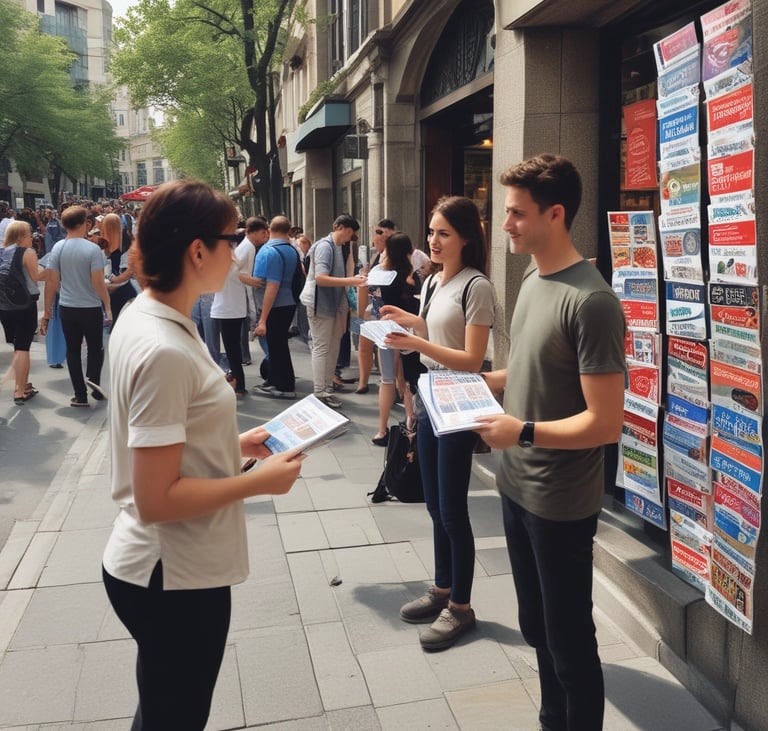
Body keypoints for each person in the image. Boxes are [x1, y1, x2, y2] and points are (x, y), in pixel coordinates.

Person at [101, 179, 305, 730]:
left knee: (164, 705)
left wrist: (235, 444)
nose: (239, 245)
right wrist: (257, 482)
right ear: (197, 250)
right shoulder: (163, 345)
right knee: (176, 715)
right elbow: (156, 498)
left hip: (164, 568)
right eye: (232, 236)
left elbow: (167, 441)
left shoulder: (150, 316)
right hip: (172, 573)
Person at [474, 154, 626, 731]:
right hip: (517, 486)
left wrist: (523, 431)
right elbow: (537, 369)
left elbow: (605, 422)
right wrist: (483, 382)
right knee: (535, 626)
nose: (504, 225)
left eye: (515, 213)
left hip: (560, 503)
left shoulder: (592, 301)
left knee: (568, 641)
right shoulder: (535, 278)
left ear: (555, 214)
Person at [381, 196, 495, 651]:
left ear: (467, 236)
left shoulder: (477, 286)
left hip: (459, 400)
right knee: (432, 504)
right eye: (431, 232)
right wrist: (403, 320)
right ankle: (443, 588)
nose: (434, 241)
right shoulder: (432, 282)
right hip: (429, 397)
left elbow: (471, 358)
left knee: (452, 510)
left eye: (444, 233)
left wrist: (414, 338)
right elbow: (431, 331)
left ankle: (461, 608)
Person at [40, 206, 112, 407]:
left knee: (72, 350)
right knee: (95, 347)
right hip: (89, 307)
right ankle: (94, 383)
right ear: (86, 224)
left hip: (67, 307)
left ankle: (80, 395)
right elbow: (98, 283)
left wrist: (47, 311)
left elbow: (51, 282)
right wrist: (107, 305)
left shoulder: (58, 248)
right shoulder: (92, 249)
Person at [300, 214, 365, 409]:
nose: (350, 236)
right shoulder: (324, 247)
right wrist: (350, 281)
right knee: (322, 346)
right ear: (339, 227)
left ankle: (325, 388)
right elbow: (321, 278)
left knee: (332, 346)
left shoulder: (340, 247)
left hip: (334, 303)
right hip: (321, 303)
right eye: (349, 231)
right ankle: (320, 391)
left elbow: (345, 271)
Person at [370, 232, 421, 444]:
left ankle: (382, 430)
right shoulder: (414, 276)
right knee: (409, 379)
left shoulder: (382, 273)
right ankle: (411, 422)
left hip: (387, 328)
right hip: (410, 330)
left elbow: (369, 291)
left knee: (387, 379)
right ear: (409, 251)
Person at [0, 221, 48, 405]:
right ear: (21, 237)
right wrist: (51, 269)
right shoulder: (27, 252)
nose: (32, 237)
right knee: (23, 348)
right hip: (24, 305)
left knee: (18, 348)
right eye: (29, 234)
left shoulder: (3, 251)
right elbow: (36, 276)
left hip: (4, 306)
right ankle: (20, 390)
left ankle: (23, 383)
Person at [252, 216, 299, 399]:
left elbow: (271, 286)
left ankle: (283, 385)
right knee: (279, 344)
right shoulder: (291, 250)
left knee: (276, 345)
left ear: (269, 229)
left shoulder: (268, 251)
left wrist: (263, 318)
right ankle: (276, 380)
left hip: (274, 304)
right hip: (288, 302)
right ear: (288, 230)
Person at [355, 218, 396, 395]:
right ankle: (363, 382)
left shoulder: (399, 252)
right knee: (364, 345)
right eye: (377, 233)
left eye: (382, 234)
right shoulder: (375, 256)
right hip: (372, 307)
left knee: (387, 349)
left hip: (389, 308)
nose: (377, 238)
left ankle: (392, 385)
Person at [101, 212, 138, 325]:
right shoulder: (128, 243)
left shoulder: (98, 243)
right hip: (120, 288)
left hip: (111, 289)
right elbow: (130, 271)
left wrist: (112, 282)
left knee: (111, 325)